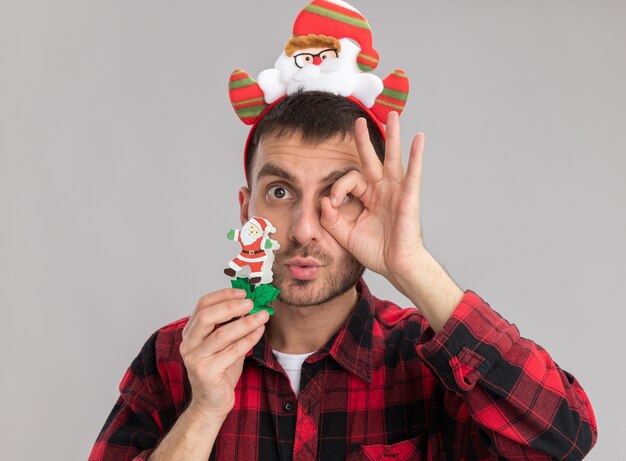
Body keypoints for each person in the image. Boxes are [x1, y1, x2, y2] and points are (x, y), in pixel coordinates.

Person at [89, 2, 597, 460]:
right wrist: (203, 412)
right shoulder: (173, 358)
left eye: (341, 196)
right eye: (281, 193)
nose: (305, 228)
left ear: (372, 204)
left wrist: (414, 265)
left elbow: (566, 440)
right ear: (246, 209)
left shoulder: (426, 363)